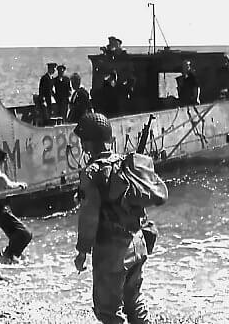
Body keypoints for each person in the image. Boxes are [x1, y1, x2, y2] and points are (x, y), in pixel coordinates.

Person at [74, 113, 149, 324]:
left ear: (87, 143)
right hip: (137, 244)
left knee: (108, 311)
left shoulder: (91, 173)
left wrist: (82, 251)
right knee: (134, 301)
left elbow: (89, 216)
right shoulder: (125, 163)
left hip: (112, 252)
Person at [0, 148, 32, 262]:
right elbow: (10, 185)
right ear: (2, 161)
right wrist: (21, 185)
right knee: (26, 234)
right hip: (0, 209)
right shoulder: (0, 177)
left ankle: (13, 255)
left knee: (14, 234)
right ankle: (8, 255)